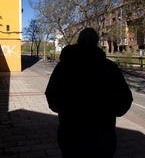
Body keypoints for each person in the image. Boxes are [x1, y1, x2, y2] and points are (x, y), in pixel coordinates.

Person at [45, 27, 133, 158]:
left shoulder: (64, 66)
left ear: (79, 41)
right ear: (96, 42)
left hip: (70, 130)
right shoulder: (109, 67)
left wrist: (64, 111)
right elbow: (125, 98)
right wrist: (110, 112)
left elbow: (51, 93)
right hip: (102, 132)